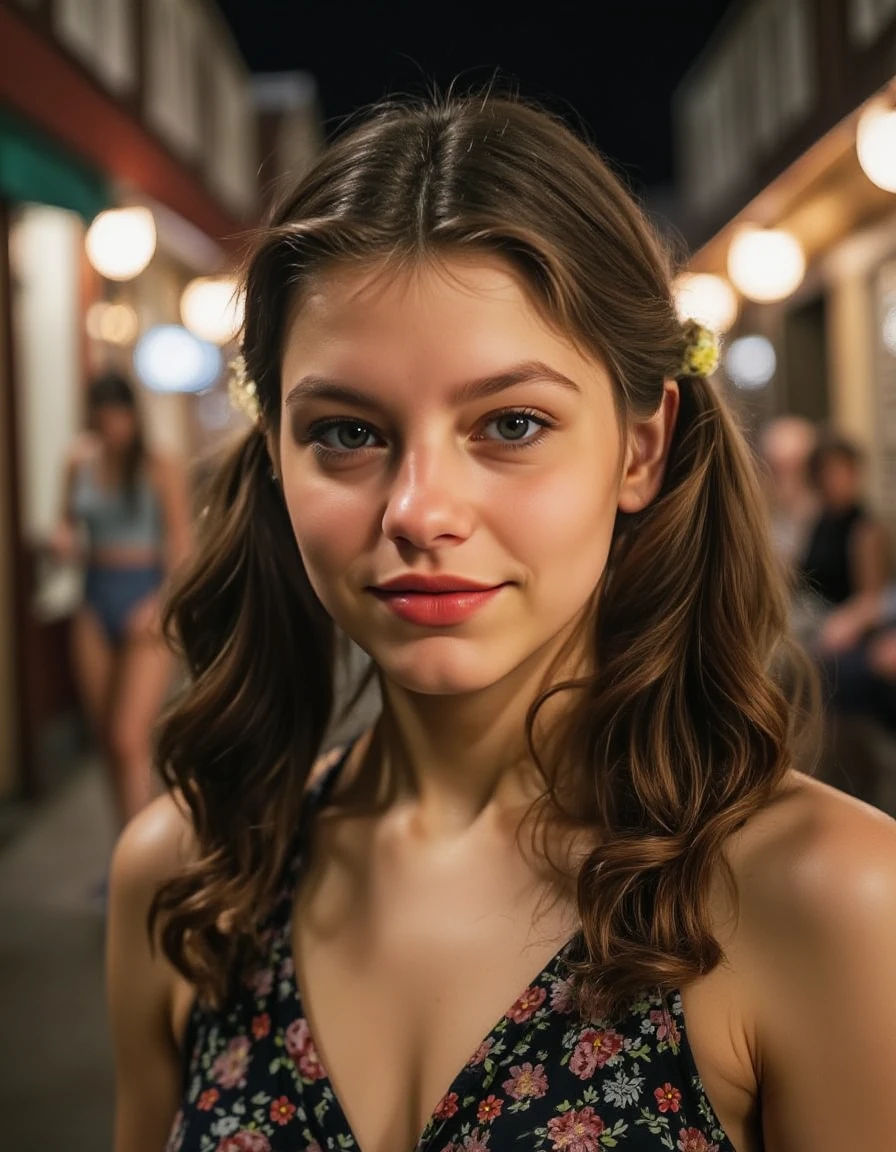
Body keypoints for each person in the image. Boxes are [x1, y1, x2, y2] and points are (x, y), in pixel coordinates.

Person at [107, 93, 896, 1152]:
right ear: (277, 455)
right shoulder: (193, 875)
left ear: (637, 448)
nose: (419, 510)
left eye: (510, 424)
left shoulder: (821, 897)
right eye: (346, 431)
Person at [49, 370, 192, 829]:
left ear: (133, 415)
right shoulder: (79, 461)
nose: (112, 426)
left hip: (145, 593)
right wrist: (64, 539)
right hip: (95, 594)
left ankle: (143, 863)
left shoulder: (157, 464)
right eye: (103, 416)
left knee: (130, 738)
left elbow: (181, 543)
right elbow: (67, 524)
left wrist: (161, 603)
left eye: (119, 415)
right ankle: (124, 854)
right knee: (107, 741)